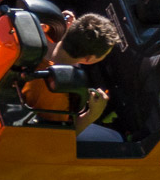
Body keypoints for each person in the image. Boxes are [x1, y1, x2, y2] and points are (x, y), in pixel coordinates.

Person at [22, 12, 123, 141]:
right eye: (104, 55)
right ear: (88, 58)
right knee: (116, 138)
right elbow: (56, 140)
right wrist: (92, 115)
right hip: (37, 135)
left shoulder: (42, 36)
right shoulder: (57, 91)